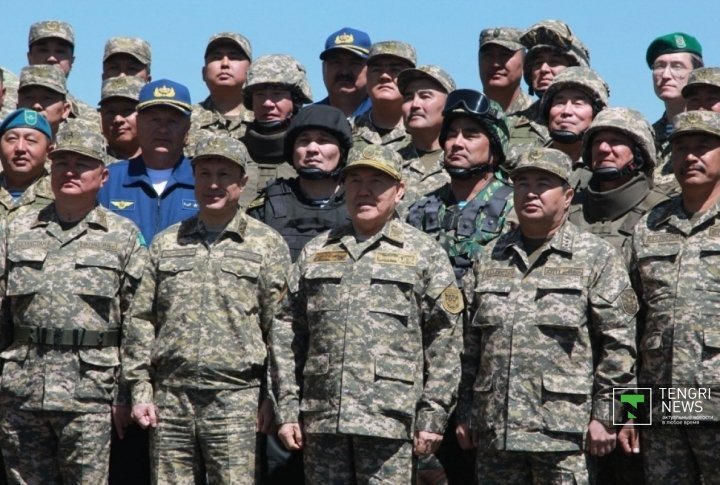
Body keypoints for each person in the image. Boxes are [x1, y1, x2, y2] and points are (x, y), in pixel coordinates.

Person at [270, 144, 463, 484]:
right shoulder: (317, 251)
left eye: (377, 181)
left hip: (390, 420)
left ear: (399, 190)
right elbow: (286, 332)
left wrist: (433, 415)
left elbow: (445, 340)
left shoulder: (424, 254)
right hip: (323, 420)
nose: (365, 190)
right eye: (355, 179)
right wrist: (286, 409)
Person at [458, 146, 637, 484]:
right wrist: (465, 411)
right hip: (497, 434)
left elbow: (621, 346)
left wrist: (609, 416)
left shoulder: (596, 257)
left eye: (543, 184)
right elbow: (468, 347)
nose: (530, 192)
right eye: (522, 183)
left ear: (568, 196)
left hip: (565, 436)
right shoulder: (489, 257)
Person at [122, 134, 290, 484]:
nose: (213, 184)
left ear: (243, 182)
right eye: (204, 174)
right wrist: (140, 389)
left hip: (236, 397)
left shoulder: (267, 244)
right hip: (171, 396)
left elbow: (279, 328)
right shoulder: (167, 241)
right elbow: (141, 320)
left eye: (224, 175)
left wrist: (273, 398)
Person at [0, 119, 147, 484]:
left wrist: (130, 391)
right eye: (63, 162)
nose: (70, 171)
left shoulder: (123, 235)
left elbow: (137, 321)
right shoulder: (16, 229)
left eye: (82, 164)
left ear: (103, 175)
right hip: (22, 389)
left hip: (91, 392)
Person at [628, 110, 720, 484]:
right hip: (663, 408)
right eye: (681, 148)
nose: (690, 157)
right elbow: (625, 324)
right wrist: (630, 414)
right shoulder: (649, 226)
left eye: (703, 147)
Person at [407, 89, 513, 287]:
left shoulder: (516, 208)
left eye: (471, 135)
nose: (457, 143)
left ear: (495, 150)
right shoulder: (419, 210)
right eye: (451, 135)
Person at [248, 104, 352, 262]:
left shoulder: (360, 205)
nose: (312, 149)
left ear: (342, 151)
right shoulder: (266, 206)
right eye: (304, 141)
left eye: (323, 140)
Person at [97, 78, 198, 243]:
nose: (163, 129)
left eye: (172, 121)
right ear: (139, 123)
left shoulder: (203, 181)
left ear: (187, 128)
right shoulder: (108, 180)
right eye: (154, 120)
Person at [569, 107, 668, 257]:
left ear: (639, 152)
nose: (603, 148)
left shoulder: (662, 212)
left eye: (615, 141)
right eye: (597, 142)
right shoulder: (569, 210)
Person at [507, 20, 590, 156]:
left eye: (554, 62)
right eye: (538, 63)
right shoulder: (508, 127)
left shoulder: (600, 127)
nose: (544, 69)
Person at [240, 54, 313, 207]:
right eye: (259, 94)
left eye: (277, 94)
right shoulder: (234, 151)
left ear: (296, 100)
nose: (267, 103)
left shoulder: (312, 155)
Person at [646, 32, 703, 190]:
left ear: (696, 73)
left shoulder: (713, 133)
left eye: (677, 66)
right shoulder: (647, 137)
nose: (665, 75)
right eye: (659, 66)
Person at [537, 66, 610, 191]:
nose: (566, 111)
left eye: (578, 104)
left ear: (596, 113)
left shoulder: (606, 166)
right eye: (559, 103)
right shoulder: (530, 161)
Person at [396, 65, 454, 210]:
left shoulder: (462, 161)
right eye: (408, 97)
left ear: (449, 104)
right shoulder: (390, 161)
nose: (415, 104)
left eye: (425, 96)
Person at [187, 32, 253, 150]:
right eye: (216, 58)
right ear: (203, 72)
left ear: (251, 71)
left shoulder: (263, 119)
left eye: (234, 57)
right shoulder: (186, 120)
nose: (225, 64)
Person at [26, 20, 99, 125]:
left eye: (60, 51)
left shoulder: (91, 119)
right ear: (29, 57)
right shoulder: (6, 106)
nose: (51, 58)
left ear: (71, 61)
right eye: (43, 50)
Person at [351, 41, 416, 151]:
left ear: (411, 78)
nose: (384, 76)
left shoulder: (424, 132)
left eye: (395, 70)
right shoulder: (347, 130)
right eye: (376, 70)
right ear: (366, 76)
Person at [0, 109, 54, 217]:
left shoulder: (61, 196)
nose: (20, 148)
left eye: (31, 140)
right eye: (12, 139)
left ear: (48, 151)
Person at [316, 27, 372, 118]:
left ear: (370, 70)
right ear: (323, 69)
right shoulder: (308, 119)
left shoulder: (385, 116)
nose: (344, 72)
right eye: (336, 62)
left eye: (354, 63)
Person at [479, 27, 532, 114]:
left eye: (505, 55)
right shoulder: (464, 117)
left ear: (525, 62)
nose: (495, 64)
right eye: (488, 55)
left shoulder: (541, 118)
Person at [16, 64, 71, 138]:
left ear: (65, 110)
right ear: (17, 106)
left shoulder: (75, 148)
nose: (36, 106)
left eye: (47, 98)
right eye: (29, 98)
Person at [98, 76, 144, 162]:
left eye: (127, 111)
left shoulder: (162, 161)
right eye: (110, 112)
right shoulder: (91, 164)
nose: (118, 119)